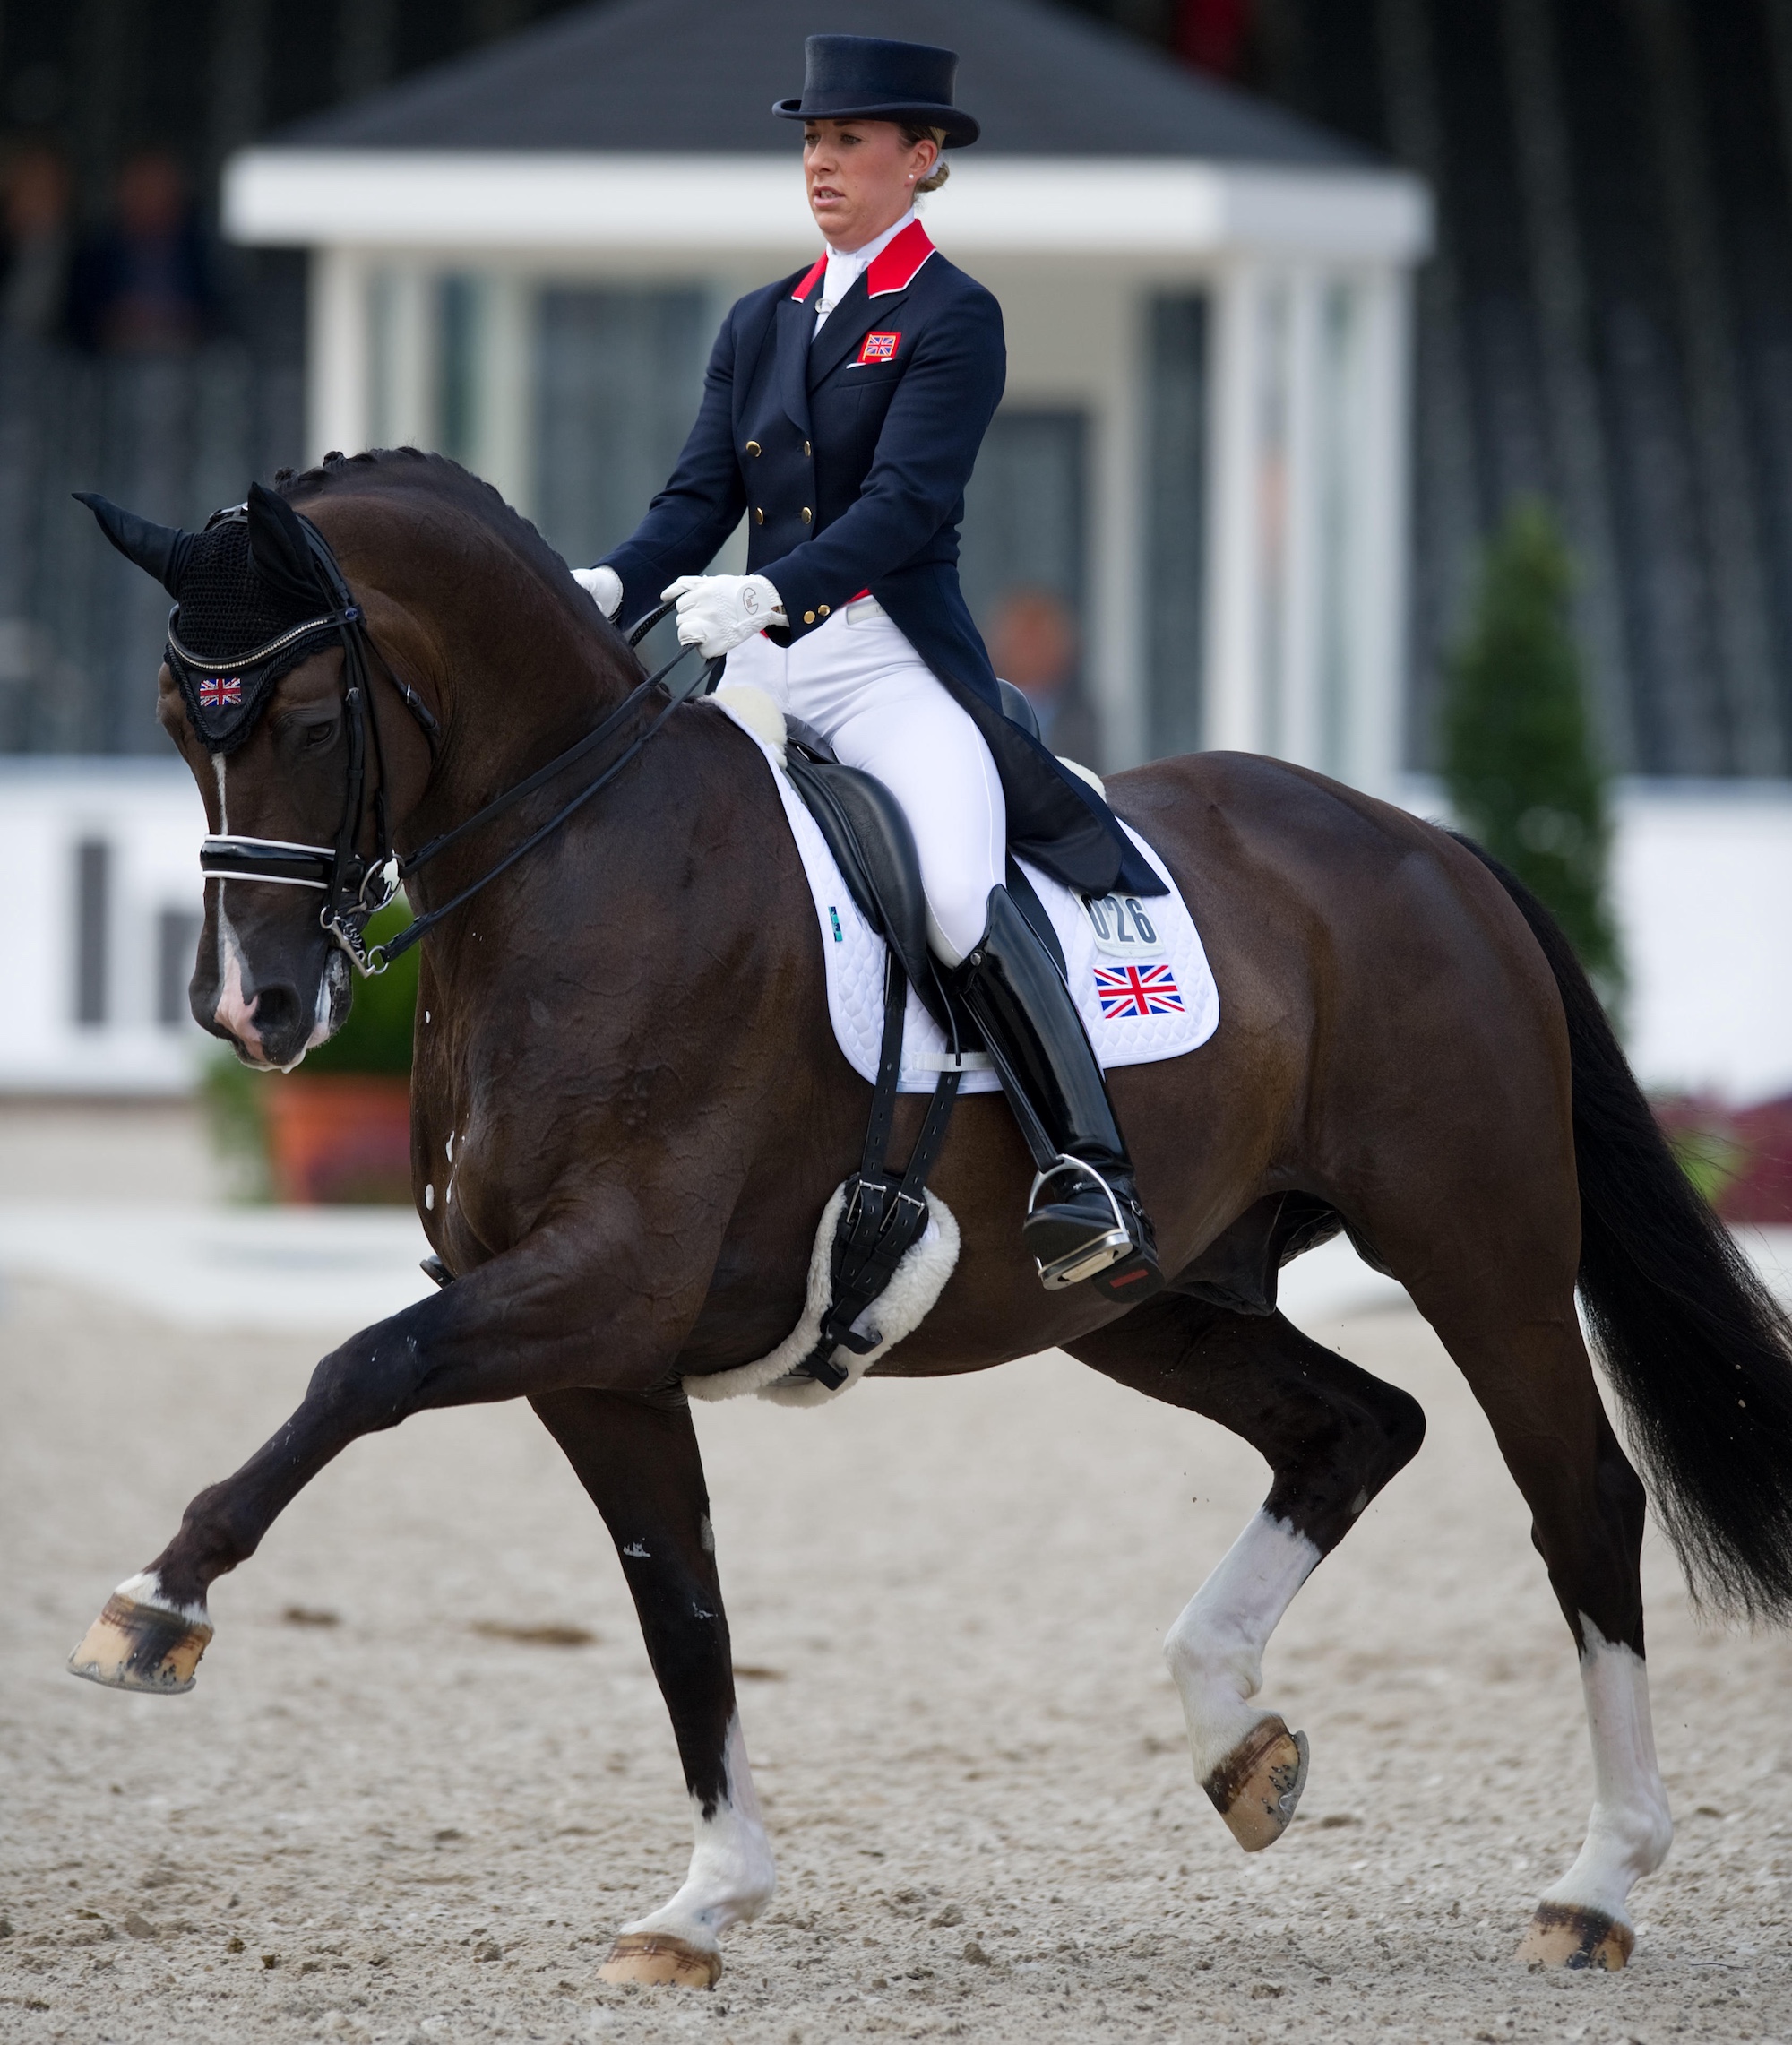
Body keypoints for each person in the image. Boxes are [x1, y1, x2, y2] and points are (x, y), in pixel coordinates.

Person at [575, 35, 1165, 1302]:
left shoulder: (954, 317)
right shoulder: (760, 319)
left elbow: (905, 503)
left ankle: (1089, 1167)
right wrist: (610, 585)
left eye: (848, 142)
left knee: (953, 893)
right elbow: (694, 499)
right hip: (761, 662)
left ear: (922, 158)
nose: (823, 164)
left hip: (887, 662)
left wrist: (774, 589)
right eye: (810, 141)